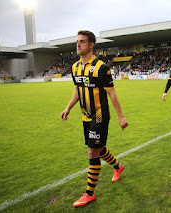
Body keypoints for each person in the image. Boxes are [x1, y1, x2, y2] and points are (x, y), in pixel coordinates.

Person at [60, 30, 128, 207]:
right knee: (98, 148)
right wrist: (68, 108)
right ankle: (118, 166)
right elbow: (77, 90)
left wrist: (121, 116)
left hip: (100, 115)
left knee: (92, 151)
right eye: (77, 41)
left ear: (91, 45)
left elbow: (112, 94)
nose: (78, 44)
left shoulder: (101, 68)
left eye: (82, 41)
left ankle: (89, 193)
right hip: (85, 116)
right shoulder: (75, 67)